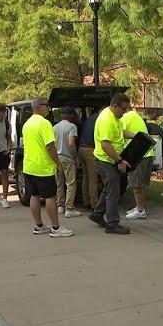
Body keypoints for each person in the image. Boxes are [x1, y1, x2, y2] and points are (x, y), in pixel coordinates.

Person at [22, 97, 74, 238]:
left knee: (34, 195)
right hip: (43, 167)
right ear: (39, 106)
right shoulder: (44, 124)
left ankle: (38, 225)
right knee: (50, 196)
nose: (49, 108)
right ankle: (56, 228)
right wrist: (58, 163)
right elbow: (50, 146)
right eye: (47, 105)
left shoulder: (27, 124)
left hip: (29, 165)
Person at [88, 93, 133, 235]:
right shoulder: (107, 119)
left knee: (109, 189)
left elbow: (120, 132)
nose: (125, 112)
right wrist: (119, 160)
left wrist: (136, 135)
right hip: (106, 160)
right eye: (123, 109)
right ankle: (112, 224)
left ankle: (97, 214)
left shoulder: (115, 117)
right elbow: (105, 145)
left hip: (109, 159)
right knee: (114, 191)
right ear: (114, 106)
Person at [122, 105, 154, 221]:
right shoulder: (136, 116)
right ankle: (139, 207)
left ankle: (140, 210)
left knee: (136, 184)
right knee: (141, 184)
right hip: (147, 153)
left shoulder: (126, 116)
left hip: (138, 154)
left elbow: (121, 131)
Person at [53, 107, 82, 218]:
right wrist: (77, 157)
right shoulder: (72, 127)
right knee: (70, 184)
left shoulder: (54, 127)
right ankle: (69, 208)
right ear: (71, 116)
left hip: (57, 158)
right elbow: (71, 143)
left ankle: (60, 206)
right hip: (68, 159)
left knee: (59, 183)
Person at [79, 107, 100, 210]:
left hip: (81, 149)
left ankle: (86, 201)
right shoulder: (99, 119)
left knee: (85, 177)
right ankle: (94, 204)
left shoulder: (89, 119)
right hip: (90, 150)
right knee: (93, 179)